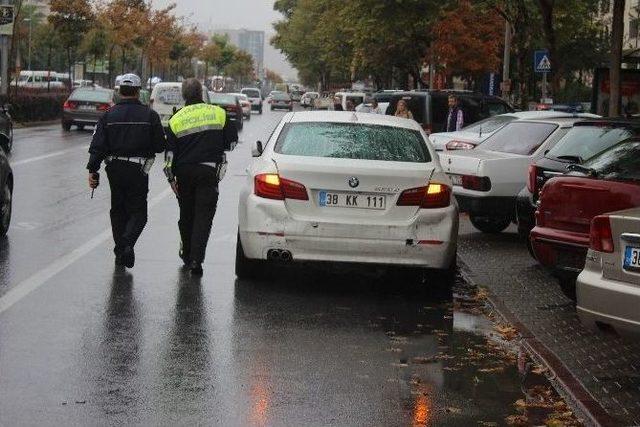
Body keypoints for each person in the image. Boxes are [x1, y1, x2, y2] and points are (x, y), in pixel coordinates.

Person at [87, 73, 166, 268]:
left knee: (118, 210)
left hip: (114, 168)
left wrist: (93, 169)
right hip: (139, 169)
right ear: (138, 92)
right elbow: (159, 146)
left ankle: (120, 249)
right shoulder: (150, 115)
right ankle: (127, 243)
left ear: (119, 91)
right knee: (139, 212)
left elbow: (98, 145)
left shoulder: (108, 116)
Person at [164, 78, 238, 276]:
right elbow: (231, 143)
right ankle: (196, 260)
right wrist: (214, 145)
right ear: (202, 93)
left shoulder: (175, 119)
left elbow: (169, 154)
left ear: (184, 95)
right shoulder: (219, 113)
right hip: (208, 172)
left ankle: (186, 254)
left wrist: (171, 179)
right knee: (203, 218)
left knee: (186, 216)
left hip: (184, 174)